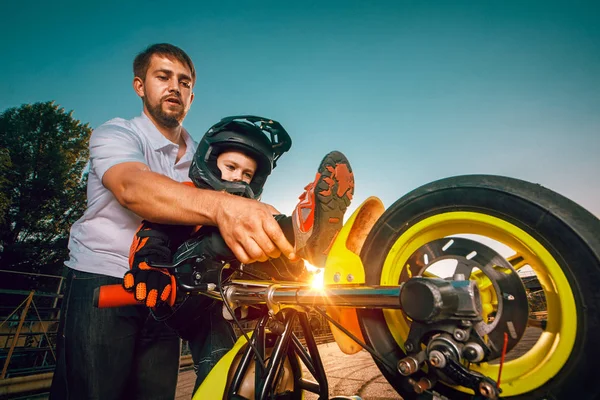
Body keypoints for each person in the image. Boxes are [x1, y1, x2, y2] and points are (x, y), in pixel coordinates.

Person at [50, 43, 294, 400]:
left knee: (155, 393)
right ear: (140, 86)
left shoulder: (208, 158)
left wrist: (279, 227)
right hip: (102, 280)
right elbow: (133, 188)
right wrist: (223, 207)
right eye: (162, 77)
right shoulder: (116, 134)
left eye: (183, 82)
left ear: (192, 96)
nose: (173, 88)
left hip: (169, 289)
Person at [123, 115, 355, 391]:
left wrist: (300, 276)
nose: (238, 177)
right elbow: (154, 232)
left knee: (224, 371)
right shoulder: (187, 197)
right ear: (209, 163)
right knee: (231, 230)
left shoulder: (252, 212)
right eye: (231, 167)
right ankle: (301, 232)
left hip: (235, 303)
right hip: (186, 290)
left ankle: (312, 244)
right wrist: (151, 266)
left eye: (247, 174)